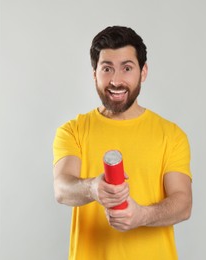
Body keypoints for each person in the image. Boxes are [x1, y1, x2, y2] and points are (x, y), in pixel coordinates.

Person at [52, 26, 192, 260]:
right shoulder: (72, 130)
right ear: (94, 73)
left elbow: (183, 203)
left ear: (143, 72)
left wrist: (142, 216)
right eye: (107, 69)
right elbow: (62, 189)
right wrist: (92, 188)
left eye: (127, 68)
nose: (116, 80)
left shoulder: (171, 135)